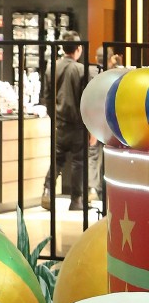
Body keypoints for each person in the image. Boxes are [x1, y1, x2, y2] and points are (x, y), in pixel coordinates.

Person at [41, 32, 97, 211]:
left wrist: (55, 117)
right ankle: (76, 200)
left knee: (57, 159)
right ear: (79, 48)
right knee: (79, 162)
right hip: (79, 124)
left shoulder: (52, 68)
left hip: (60, 124)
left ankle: (47, 191)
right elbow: (88, 100)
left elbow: (47, 97)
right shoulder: (82, 70)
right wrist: (91, 128)